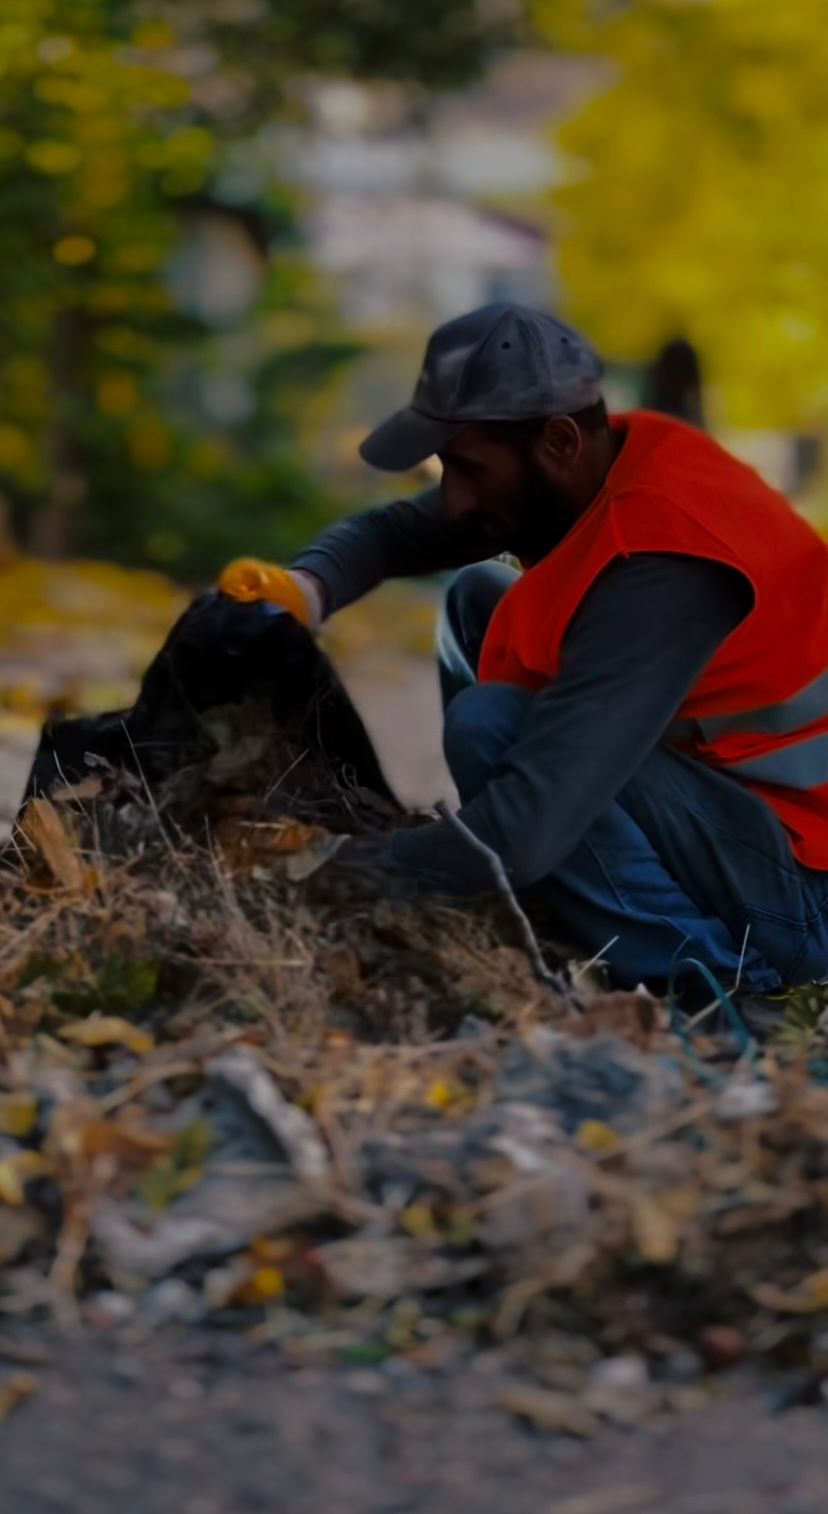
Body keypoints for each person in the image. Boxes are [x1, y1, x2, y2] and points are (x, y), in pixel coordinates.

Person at [220, 303, 828, 1005]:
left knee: (495, 726)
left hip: (799, 898)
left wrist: (336, 868)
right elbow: (399, 534)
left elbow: (525, 826)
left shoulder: (665, 565)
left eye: (469, 468)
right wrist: (307, 587)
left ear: (560, 442)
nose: (453, 497)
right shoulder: (610, 455)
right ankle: (562, 895)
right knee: (479, 597)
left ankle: (708, 985)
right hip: (738, 824)